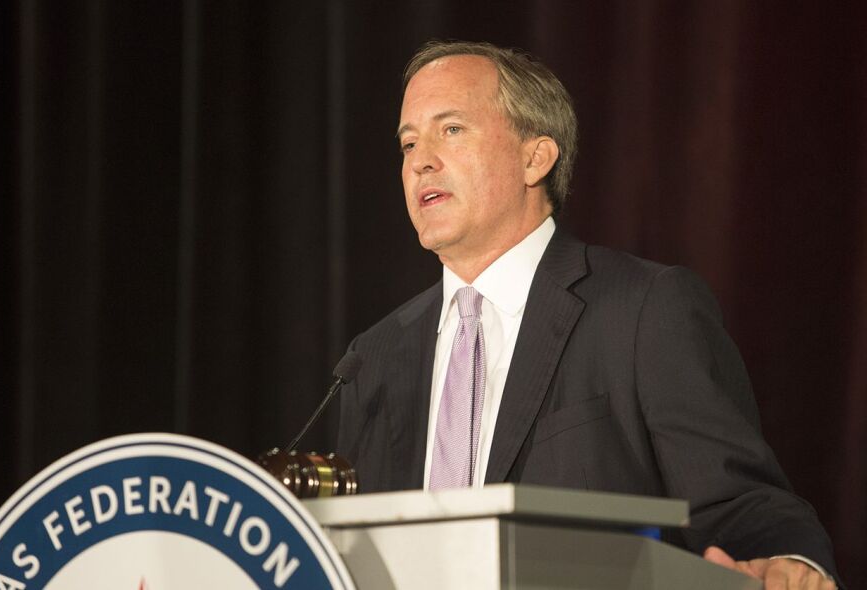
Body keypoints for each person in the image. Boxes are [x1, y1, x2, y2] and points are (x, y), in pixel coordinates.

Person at [337, 40, 840, 588]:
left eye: (451, 130)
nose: (420, 161)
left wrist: (786, 562)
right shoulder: (376, 355)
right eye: (408, 143)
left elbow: (738, 502)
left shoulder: (642, 309)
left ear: (536, 157)